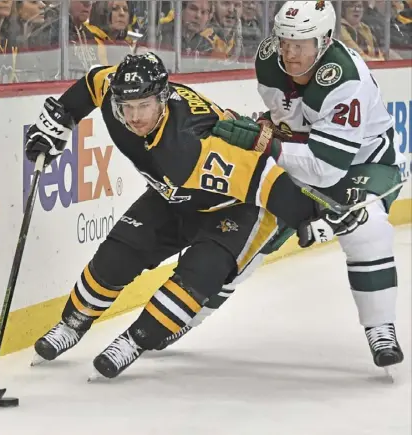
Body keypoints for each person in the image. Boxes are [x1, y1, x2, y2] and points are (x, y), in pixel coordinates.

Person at [25, 51, 367, 380]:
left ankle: (133, 341)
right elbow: (91, 83)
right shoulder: (116, 92)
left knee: (199, 274)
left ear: (163, 98)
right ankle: (72, 324)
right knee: (117, 255)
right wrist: (59, 121)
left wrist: (312, 214)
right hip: (173, 194)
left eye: (144, 106)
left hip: (235, 206)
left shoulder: (191, 144)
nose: (135, 117)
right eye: (127, 107)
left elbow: (267, 181)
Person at [212, 1, 406, 371]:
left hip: (360, 159)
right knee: (250, 229)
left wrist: (265, 143)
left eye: (301, 44)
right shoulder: (268, 58)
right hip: (304, 149)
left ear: (327, 41)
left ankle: (381, 328)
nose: (289, 52)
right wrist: (271, 130)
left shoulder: (346, 79)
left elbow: (328, 169)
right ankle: (188, 316)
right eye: (284, 41)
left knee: (368, 228)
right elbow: (285, 117)